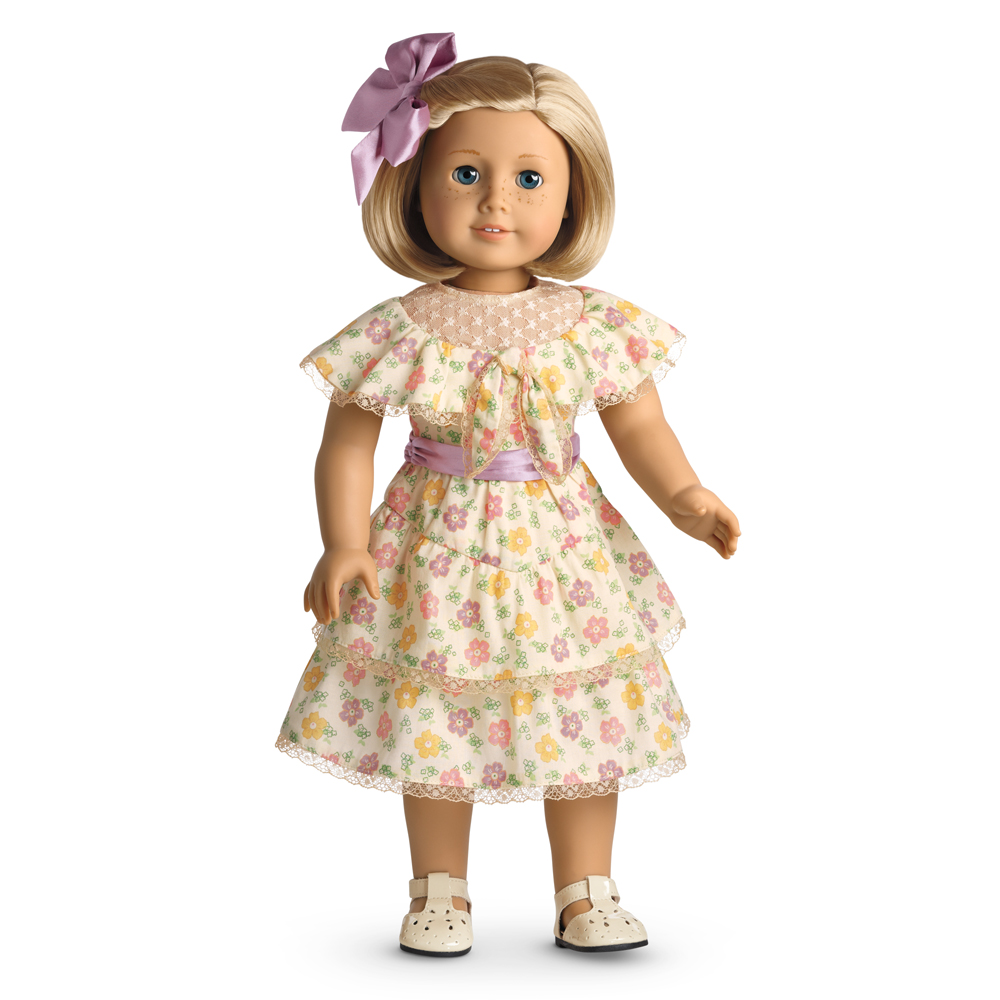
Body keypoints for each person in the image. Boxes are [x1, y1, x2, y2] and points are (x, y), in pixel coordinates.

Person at [274, 32, 740, 956]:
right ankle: (438, 889)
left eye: (530, 179)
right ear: (413, 184)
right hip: (434, 542)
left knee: (584, 713)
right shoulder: (400, 327)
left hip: (563, 547)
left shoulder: (592, 322)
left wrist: (684, 493)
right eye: (466, 174)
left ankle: (587, 887)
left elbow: (639, 426)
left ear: (573, 196)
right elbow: (347, 443)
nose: (496, 200)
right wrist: (344, 542)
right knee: (436, 710)